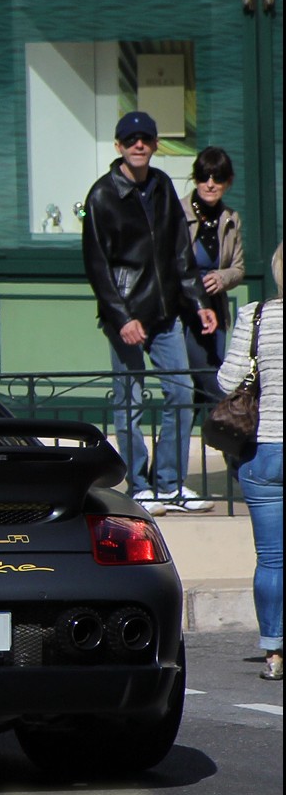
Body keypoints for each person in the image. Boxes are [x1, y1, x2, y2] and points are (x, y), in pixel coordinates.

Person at [82, 111, 217, 516]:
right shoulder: (103, 195)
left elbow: (180, 252)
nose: (139, 145)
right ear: (119, 146)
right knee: (130, 401)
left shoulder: (162, 187)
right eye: (131, 139)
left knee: (180, 393)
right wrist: (122, 319)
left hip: (166, 313)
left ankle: (170, 484)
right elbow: (97, 266)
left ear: (155, 145)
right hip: (126, 315)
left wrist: (199, 303)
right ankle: (140, 486)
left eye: (146, 139)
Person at [219, 245, 282, 680]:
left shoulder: (256, 315)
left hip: (265, 450)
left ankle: (275, 653)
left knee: (272, 559)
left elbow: (226, 380)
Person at [182, 147, 245, 405]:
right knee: (203, 383)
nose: (210, 184)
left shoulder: (230, 219)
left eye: (217, 178)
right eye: (204, 177)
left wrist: (223, 277)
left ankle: (210, 443)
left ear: (228, 182)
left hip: (215, 310)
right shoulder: (178, 213)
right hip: (183, 308)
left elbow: (239, 268)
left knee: (205, 386)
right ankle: (233, 442)